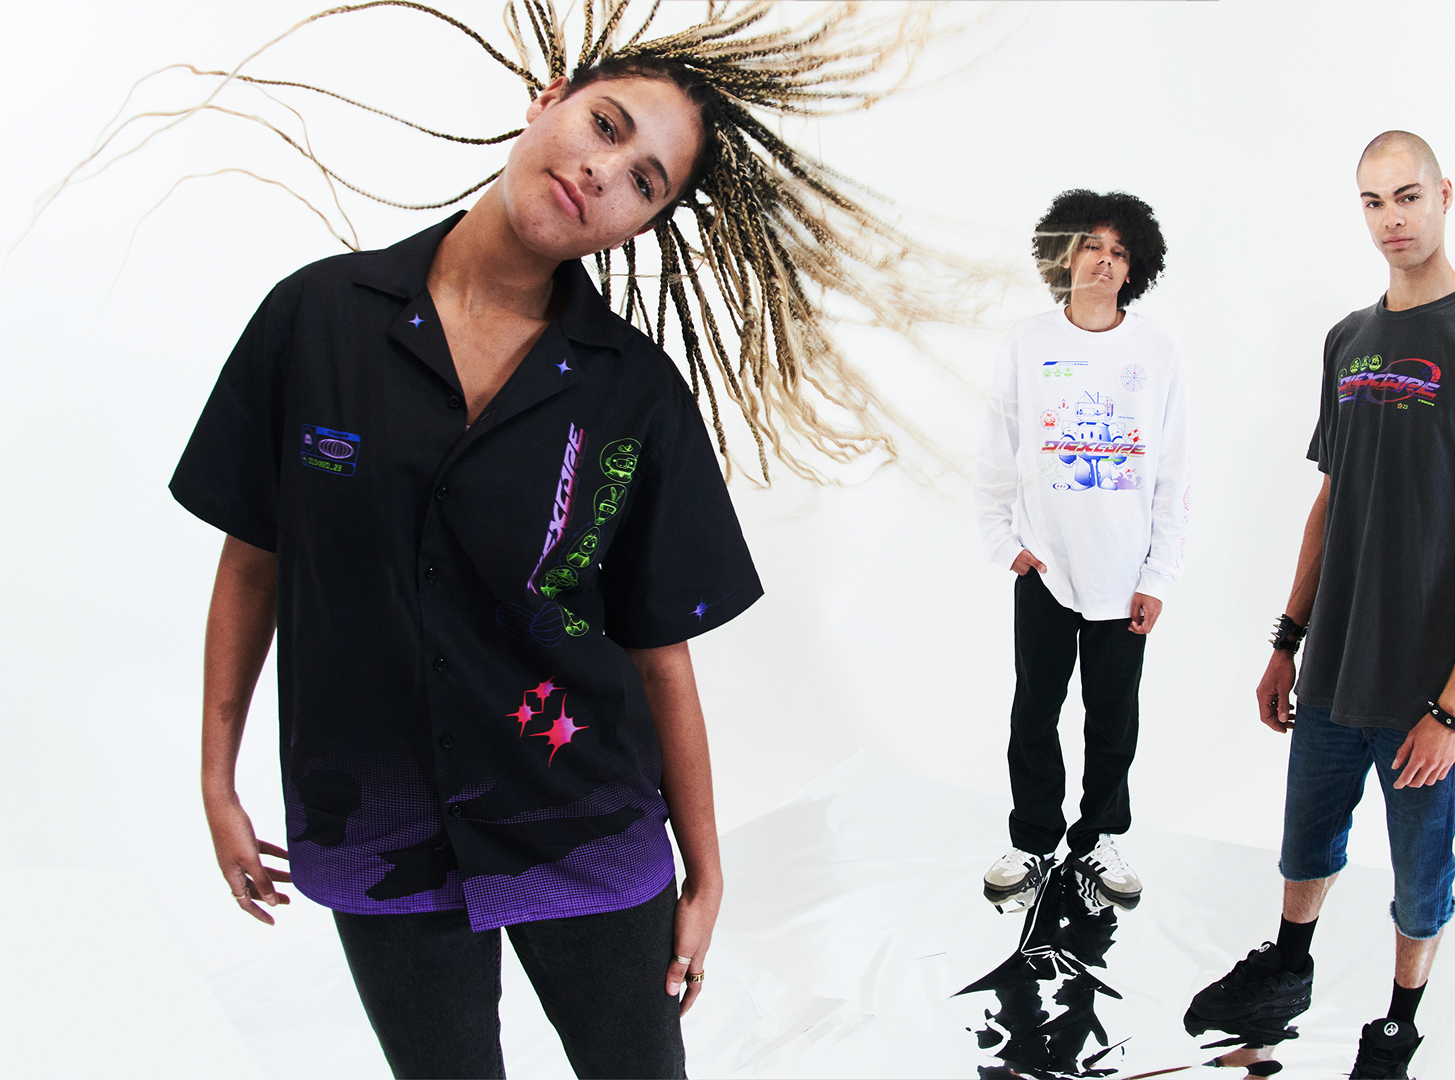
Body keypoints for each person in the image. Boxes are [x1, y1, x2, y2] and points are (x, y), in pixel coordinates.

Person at [168, 4, 949, 1076]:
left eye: (645, 182)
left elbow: (657, 650)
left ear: (643, 225)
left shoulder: (636, 397)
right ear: (550, 102)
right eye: (606, 126)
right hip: (377, 819)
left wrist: (706, 868)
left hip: (582, 817)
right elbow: (254, 562)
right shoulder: (316, 320)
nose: (604, 172)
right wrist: (216, 781)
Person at [1182, 131, 1455, 1079]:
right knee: (1305, 839)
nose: (1392, 219)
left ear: (1444, 195)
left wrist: (1454, 707)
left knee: (1421, 872)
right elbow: (1330, 499)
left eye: (1407, 196)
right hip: (1335, 664)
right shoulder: (1348, 340)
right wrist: (1287, 640)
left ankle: (1397, 1026)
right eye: (1372, 201)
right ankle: (1287, 972)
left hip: (1426, 687)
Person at [975, 190, 1190, 914]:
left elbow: (1174, 471)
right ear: (1064, 255)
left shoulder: (1158, 351)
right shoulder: (1027, 343)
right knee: (1034, 712)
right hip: (1045, 567)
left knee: (1113, 718)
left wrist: (1159, 574)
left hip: (1125, 576)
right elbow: (996, 448)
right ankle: (1034, 839)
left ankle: (1098, 837)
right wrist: (1004, 542)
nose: (1104, 260)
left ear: (1135, 268)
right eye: (1092, 245)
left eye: (1119, 251)